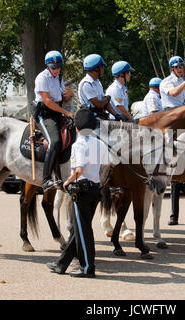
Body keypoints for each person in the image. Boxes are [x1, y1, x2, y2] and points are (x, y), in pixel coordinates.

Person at [46, 108, 111, 278]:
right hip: (95, 189)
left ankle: (88, 267)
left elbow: (79, 170)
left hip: (81, 190)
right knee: (79, 229)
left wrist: (66, 183)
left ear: (76, 128)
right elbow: (109, 163)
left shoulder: (78, 144)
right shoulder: (100, 143)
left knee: (84, 231)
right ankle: (61, 264)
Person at [160, 56, 185, 226]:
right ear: (172, 68)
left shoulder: (183, 82)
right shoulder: (166, 82)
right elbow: (174, 93)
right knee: (168, 138)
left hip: (183, 115)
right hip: (170, 115)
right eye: (177, 67)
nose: (180, 69)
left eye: (182, 66)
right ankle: (167, 162)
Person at [34, 50, 74, 192]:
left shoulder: (59, 77)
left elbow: (63, 97)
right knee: (55, 141)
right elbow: (48, 101)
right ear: (47, 66)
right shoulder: (42, 78)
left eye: (58, 66)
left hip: (57, 112)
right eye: (53, 67)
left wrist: (70, 95)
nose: (56, 69)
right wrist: (67, 112)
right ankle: (46, 180)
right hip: (44, 114)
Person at [78, 54, 119, 120]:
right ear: (95, 68)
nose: (103, 69)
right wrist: (107, 98)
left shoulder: (97, 82)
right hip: (89, 118)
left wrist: (116, 115)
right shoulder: (86, 84)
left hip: (99, 115)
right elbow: (99, 104)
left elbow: (104, 103)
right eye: (102, 66)